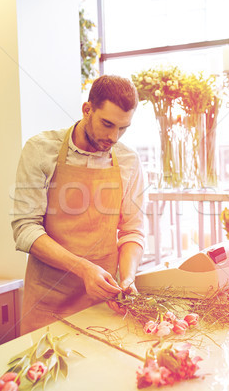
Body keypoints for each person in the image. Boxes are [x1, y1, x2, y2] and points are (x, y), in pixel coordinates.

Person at [11, 75, 145, 334]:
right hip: (47, 303)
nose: (114, 136)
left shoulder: (129, 160)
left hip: (103, 302)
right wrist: (83, 269)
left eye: (123, 128)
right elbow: (25, 228)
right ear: (87, 110)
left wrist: (127, 277)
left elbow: (132, 230)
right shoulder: (40, 150)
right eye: (107, 124)